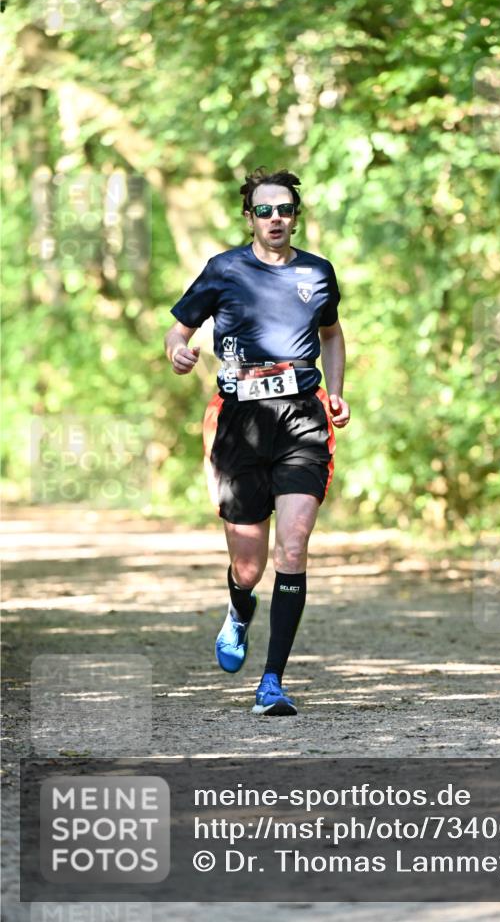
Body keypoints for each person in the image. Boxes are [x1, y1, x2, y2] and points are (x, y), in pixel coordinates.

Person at [164, 167, 350, 716]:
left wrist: (335, 392)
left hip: (301, 418)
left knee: (292, 547)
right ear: (250, 216)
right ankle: (239, 607)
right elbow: (180, 329)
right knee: (250, 564)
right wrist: (178, 352)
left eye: (284, 210)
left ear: (295, 217)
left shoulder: (317, 273)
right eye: (264, 210)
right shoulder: (224, 270)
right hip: (238, 420)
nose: (275, 218)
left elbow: (332, 334)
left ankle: (272, 681)